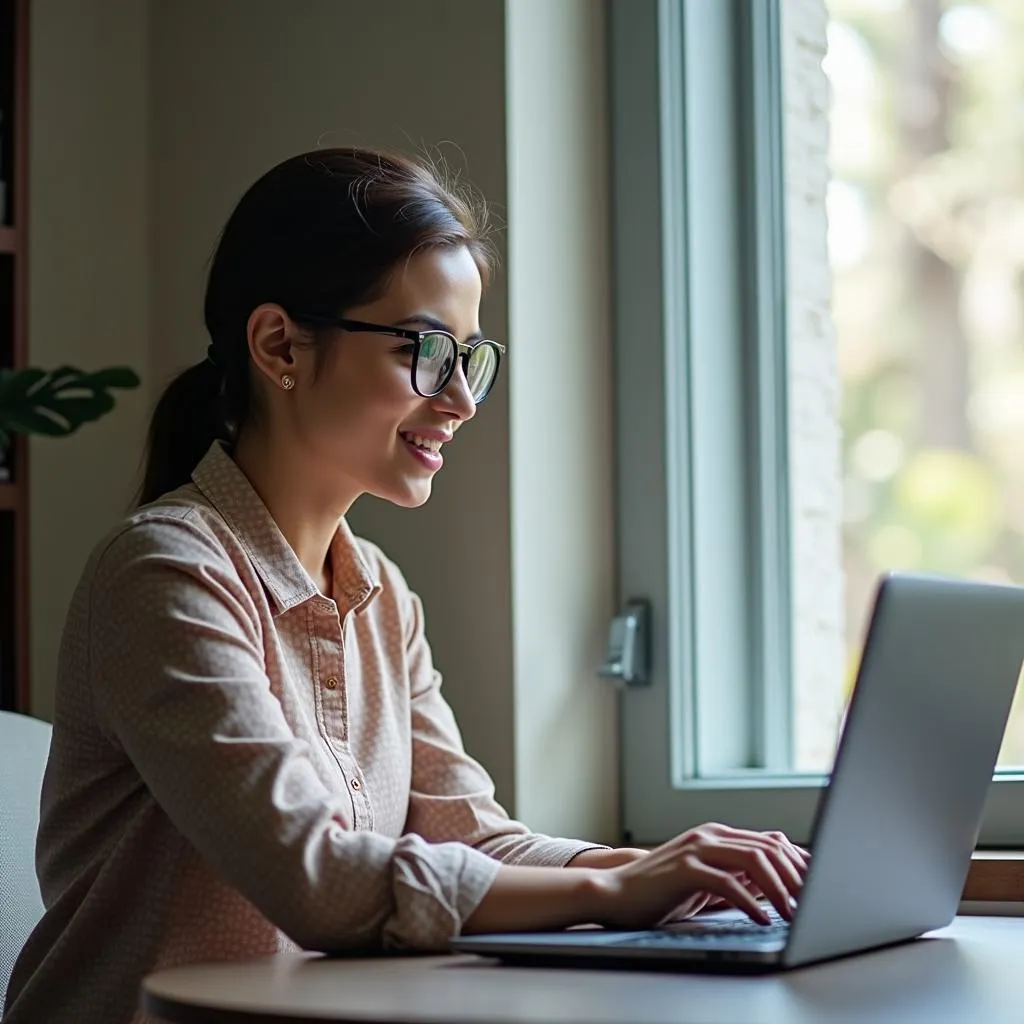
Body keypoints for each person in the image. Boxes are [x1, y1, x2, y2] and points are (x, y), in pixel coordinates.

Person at [3, 148, 807, 1024]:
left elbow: (476, 838)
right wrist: (621, 894)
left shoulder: (381, 593)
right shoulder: (165, 573)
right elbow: (315, 876)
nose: (460, 398)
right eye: (426, 351)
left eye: (472, 357)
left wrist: (669, 872)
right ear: (280, 345)